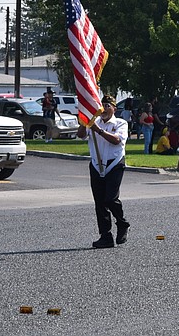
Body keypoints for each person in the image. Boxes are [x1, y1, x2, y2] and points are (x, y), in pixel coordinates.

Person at [77, 96, 130, 249]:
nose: (104, 109)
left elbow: (116, 140)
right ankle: (105, 236)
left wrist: (98, 130)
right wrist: (83, 122)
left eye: (108, 106)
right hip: (96, 164)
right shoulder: (94, 122)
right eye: (102, 106)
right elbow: (81, 135)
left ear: (115, 108)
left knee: (111, 199)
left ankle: (122, 223)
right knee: (99, 202)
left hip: (114, 164)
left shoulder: (121, 123)